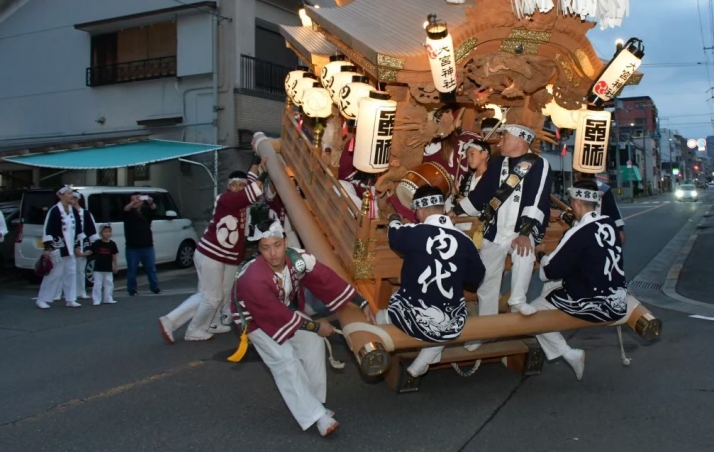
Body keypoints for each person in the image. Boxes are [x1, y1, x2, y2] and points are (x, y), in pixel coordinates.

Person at [231, 218, 375, 437]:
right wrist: (316, 325)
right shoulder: (253, 278)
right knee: (285, 360)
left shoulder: (299, 259)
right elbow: (274, 315)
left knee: (313, 342)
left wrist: (361, 301)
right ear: (258, 249)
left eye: (277, 245)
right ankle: (316, 416)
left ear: (285, 241)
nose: (273, 254)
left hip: (282, 309)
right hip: (254, 318)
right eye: (265, 248)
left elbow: (327, 280)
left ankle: (314, 403)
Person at [454, 124, 552, 333]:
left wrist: (525, 234)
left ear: (520, 140)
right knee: (486, 283)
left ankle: (517, 299)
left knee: (524, 254)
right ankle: (484, 332)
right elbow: (479, 196)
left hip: (520, 231)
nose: (499, 143)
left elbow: (537, 200)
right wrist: (453, 212)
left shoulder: (539, 164)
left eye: (504, 138)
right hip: (495, 231)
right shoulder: (498, 164)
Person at [381, 186, 485, 377]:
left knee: (382, 314)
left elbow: (394, 234)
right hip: (450, 326)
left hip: (408, 319)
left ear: (419, 211)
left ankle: (384, 352)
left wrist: (394, 219)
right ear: (444, 209)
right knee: (450, 313)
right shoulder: (465, 241)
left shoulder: (412, 232)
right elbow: (476, 278)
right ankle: (426, 358)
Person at [530, 179, 627, 380]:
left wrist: (540, 254)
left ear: (575, 203)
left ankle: (569, 353)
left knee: (532, 312)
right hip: (618, 300)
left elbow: (547, 271)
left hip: (595, 303)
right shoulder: (609, 224)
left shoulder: (578, 232)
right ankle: (563, 348)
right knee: (552, 289)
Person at [159, 161, 265, 343]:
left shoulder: (240, 200)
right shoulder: (226, 199)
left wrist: (257, 163)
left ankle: (212, 322)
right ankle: (189, 328)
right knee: (211, 297)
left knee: (219, 293)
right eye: (234, 185)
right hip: (211, 254)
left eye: (242, 185)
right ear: (228, 187)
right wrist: (264, 174)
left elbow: (251, 182)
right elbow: (252, 190)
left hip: (224, 256)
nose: (238, 188)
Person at [36, 185, 82, 309]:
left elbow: (78, 229)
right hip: (58, 247)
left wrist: (78, 245)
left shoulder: (73, 211)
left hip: (70, 247)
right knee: (54, 274)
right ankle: (42, 299)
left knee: (71, 273)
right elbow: (48, 230)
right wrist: (47, 248)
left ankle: (70, 298)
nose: (71, 195)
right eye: (68, 193)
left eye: (71, 193)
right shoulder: (55, 210)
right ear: (60, 195)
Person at [123, 193, 160, 296]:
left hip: (147, 245)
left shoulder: (145, 212)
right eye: (132, 199)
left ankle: (155, 287)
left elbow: (154, 209)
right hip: (132, 247)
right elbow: (125, 209)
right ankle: (132, 289)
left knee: (151, 268)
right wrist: (133, 202)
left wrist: (150, 201)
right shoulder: (128, 213)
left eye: (138, 199)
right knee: (132, 270)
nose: (136, 201)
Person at [576, 172, 625, 245]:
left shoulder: (602, 188)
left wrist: (619, 229)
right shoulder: (603, 188)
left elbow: (613, 210)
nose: (576, 175)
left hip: (590, 229)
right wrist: (619, 229)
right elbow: (613, 211)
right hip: (598, 229)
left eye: (576, 172)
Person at [90, 224, 119, 306]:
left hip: (108, 267)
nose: (107, 233)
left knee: (109, 283)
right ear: (101, 233)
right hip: (98, 267)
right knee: (97, 284)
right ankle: (96, 299)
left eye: (109, 231)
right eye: (105, 232)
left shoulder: (112, 244)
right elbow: (91, 251)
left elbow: (114, 255)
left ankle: (108, 298)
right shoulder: (97, 243)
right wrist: (83, 253)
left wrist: (115, 265)